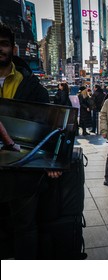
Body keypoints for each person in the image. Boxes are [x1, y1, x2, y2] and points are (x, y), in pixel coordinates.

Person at [0, 23, 61, 259]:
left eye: (4, 44)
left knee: (25, 230)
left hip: (23, 174)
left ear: (13, 48)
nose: (0, 49)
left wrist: (51, 161)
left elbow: (49, 126)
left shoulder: (32, 86)